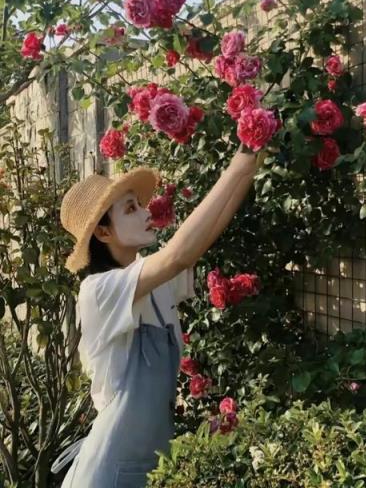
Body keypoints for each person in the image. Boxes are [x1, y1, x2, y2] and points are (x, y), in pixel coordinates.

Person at [51, 144, 265, 487]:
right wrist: (236, 166)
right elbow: (177, 255)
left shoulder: (153, 283)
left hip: (148, 466)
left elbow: (199, 243)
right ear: (103, 233)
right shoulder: (98, 292)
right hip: (107, 473)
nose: (146, 213)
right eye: (131, 209)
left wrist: (250, 164)